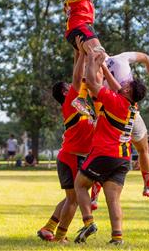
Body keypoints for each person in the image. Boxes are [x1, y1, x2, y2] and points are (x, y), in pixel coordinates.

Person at [74, 51, 147, 245]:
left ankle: (88, 222)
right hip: (123, 158)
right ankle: (117, 237)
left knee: (80, 185)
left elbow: (91, 83)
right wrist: (104, 67)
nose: (124, 82)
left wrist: (91, 61)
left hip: (104, 153)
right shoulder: (132, 105)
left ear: (127, 92)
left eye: (127, 84)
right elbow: (117, 88)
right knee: (113, 199)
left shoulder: (116, 102)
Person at [90, 51, 149, 209]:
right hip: (129, 114)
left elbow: (94, 89)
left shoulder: (96, 66)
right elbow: (142, 56)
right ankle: (148, 186)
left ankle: (94, 197)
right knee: (143, 150)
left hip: (108, 113)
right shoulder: (120, 59)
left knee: (104, 152)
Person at [37, 51, 96, 243]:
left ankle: (49, 228)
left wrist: (79, 53)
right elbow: (78, 77)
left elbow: (82, 77)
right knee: (74, 199)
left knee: (72, 197)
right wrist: (81, 56)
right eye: (69, 87)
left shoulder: (81, 103)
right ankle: (60, 237)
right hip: (71, 157)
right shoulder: (71, 102)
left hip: (76, 156)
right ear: (65, 92)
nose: (73, 86)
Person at [60, 0, 116, 117]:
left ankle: (82, 96)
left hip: (72, 29)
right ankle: (87, 97)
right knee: (99, 56)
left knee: (83, 64)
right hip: (82, 26)